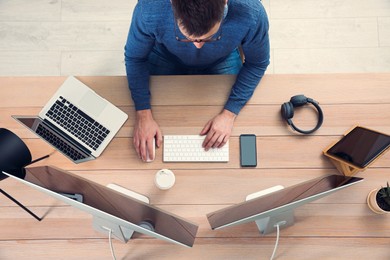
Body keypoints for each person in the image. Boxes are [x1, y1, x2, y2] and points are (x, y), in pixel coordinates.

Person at [125, 0, 270, 162]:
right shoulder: (149, 7)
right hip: (164, 55)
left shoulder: (252, 12)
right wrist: (143, 114)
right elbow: (135, 58)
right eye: (186, 38)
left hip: (221, 60)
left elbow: (257, 63)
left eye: (209, 38)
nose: (198, 47)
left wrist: (230, 113)